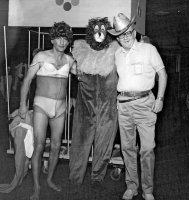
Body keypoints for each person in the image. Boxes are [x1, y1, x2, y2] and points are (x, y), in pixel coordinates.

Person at [108, 13, 167, 200]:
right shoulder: (117, 54)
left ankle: (147, 190)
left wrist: (160, 98)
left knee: (147, 148)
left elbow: (163, 74)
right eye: (121, 35)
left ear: (134, 32)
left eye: (128, 33)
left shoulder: (148, 49)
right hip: (123, 106)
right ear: (117, 37)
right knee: (127, 148)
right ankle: (132, 186)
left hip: (145, 104)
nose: (125, 37)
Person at [18, 21, 75, 200]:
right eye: (58, 38)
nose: (62, 42)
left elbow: (83, 77)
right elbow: (27, 81)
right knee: (39, 145)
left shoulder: (70, 59)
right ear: (52, 39)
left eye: (65, 38)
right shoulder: (41, 56)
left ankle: (49, 179)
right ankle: (36, 186)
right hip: (41, 105)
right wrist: (22, 104)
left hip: (60, 107)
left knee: (57, 145)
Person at [69, 17, 119, 184]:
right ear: (91, 31)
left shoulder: (115, 51)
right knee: (80, 140)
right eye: (96, 29)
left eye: (103, 29)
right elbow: (68, 69)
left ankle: (97, 177)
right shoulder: (81, 51)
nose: (100, 33)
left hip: (108, 106)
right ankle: (75, 178)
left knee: (105, 141)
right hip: (85, 106)